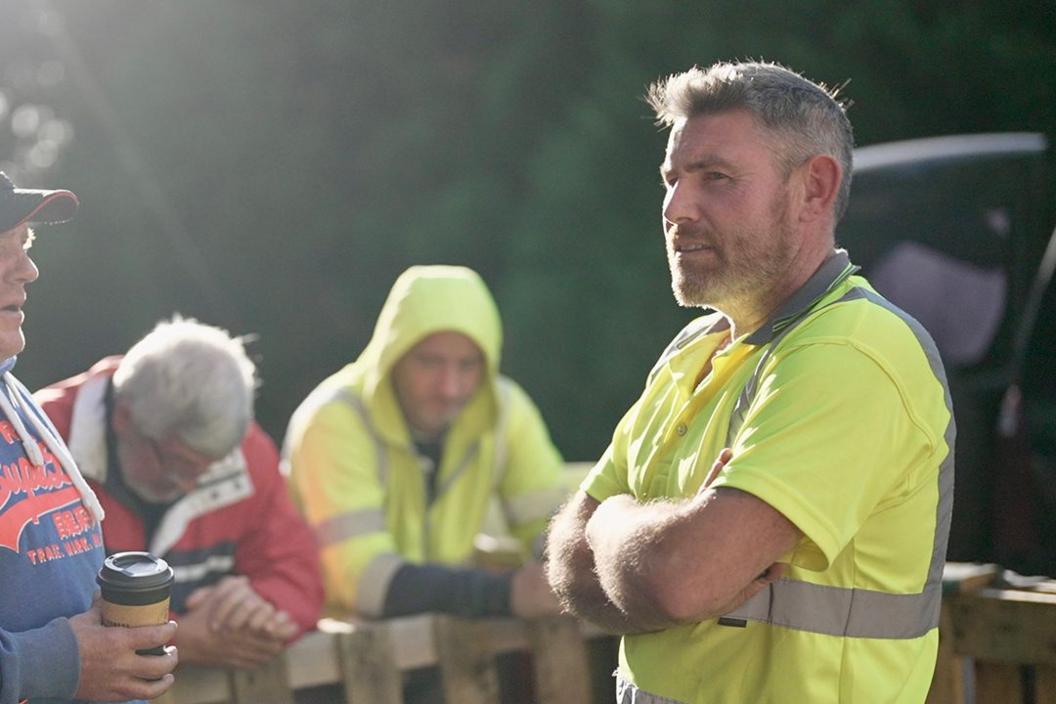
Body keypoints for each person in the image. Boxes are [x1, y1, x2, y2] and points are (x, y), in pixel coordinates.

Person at [546, 61, 955, 704]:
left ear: (815, 189)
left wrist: (614, 523)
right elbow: (568, 566)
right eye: (673, 179)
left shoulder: (854, 350)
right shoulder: (696, 347)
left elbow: (682, 579)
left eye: (716, 178)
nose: (677, 208)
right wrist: (642, 541)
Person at [36, 316, 324, 669]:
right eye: (178, 463)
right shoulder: (31, 448)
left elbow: (300, 575)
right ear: (125, 417)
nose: (191, 484)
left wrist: (257, 609)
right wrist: (179, 636)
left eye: (209, 468)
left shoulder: (244, 452)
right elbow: (31, 604)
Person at [285, 265, 566, 621]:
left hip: (448, 641)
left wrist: (567, 565)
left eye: (467, 365)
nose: (450, 387)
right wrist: (505, 593)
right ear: (393, 356)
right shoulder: (332, 420)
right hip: (335, 659)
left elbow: (551, 523)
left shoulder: (505, 409)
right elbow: (362, 580)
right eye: (430, 363)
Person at [0, 172, 177, 703]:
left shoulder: (16, 396)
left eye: (25, 245)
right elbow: (62, 659)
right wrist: (63, 662)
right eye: (0, 248)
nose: (28, 269)